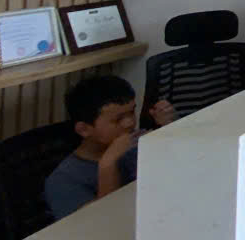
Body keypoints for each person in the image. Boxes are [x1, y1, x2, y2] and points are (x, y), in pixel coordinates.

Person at [44, 76, 176, 221]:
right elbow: (100, 223)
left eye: (132, 112)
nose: (130, 123)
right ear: (84, 129)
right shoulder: (63, 181)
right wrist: (108, 163)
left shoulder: (134, 145)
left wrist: (170, 128)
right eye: (118, 119)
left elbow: (173, 176)